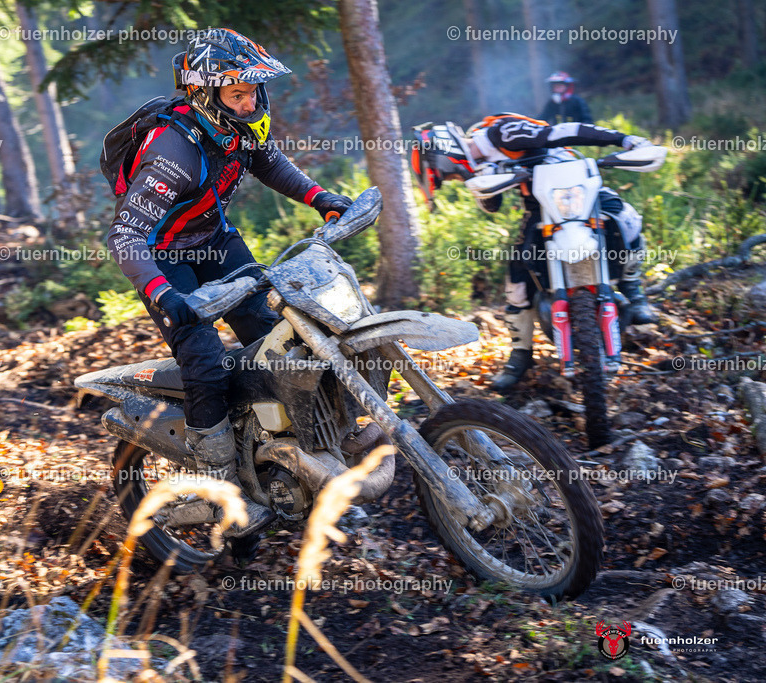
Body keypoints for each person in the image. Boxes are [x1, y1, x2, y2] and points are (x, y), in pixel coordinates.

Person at [105, 29, 352, 537]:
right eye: (237, 94)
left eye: (253, 92)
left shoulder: (236, 127)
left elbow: (267, 161)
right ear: (205, 95)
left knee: (272, 337)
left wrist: (320, 197)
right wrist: (163, 295)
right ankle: (220, 489)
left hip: (214, 239)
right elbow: (126, 234)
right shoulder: (173, 150)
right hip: (163, 258)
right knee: (205, 361)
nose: (249, 102)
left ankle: (288, 456)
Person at [411, 114, 657, 392]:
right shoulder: (480, 164)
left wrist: (623, 139)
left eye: (449, 174)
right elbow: (492, 205)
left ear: (444, 154)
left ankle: (633, 291)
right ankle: (520, 355)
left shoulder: (503, 133)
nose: (455, 178)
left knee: (626, 220)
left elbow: (565, 131)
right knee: (517, 276)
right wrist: (481, 177)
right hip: (541, 207)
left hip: (580, 189)